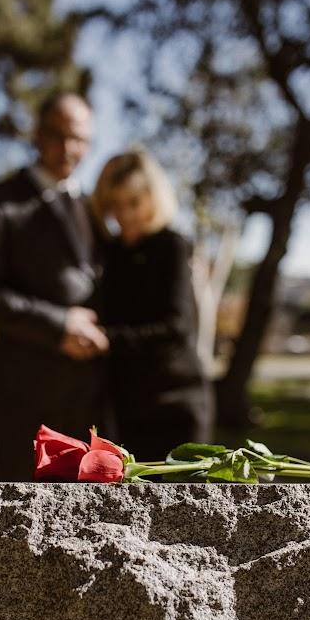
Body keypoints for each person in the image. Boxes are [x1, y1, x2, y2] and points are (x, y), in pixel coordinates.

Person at [0, 92, 110, 480]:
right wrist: (59, 324)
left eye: (80, 138)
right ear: (37, 135)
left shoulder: (95, 207)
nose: (69, 148)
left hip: (93, 397)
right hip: (23, 396)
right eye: (58, 135)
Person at [91, 150, 214, 460]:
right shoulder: (110, 252)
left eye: (134, 203)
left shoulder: (171, 245)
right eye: (115, 205)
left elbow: (177, 327)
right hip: (126, 405)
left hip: (175, 400)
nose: (125, 215)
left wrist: (107, 339)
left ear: (153, 199)